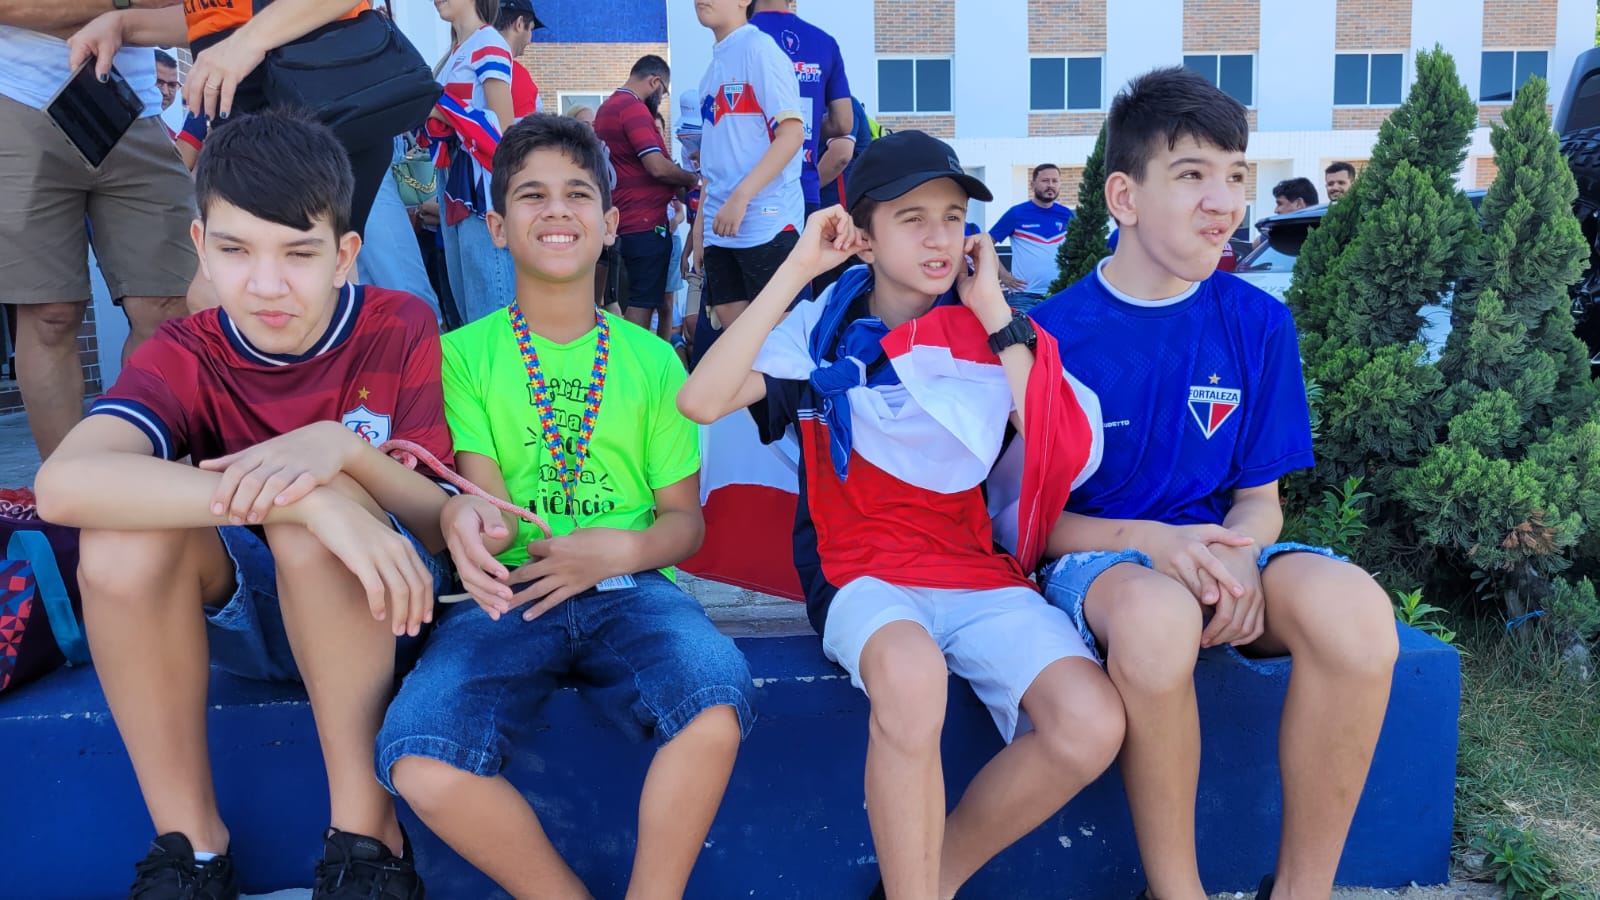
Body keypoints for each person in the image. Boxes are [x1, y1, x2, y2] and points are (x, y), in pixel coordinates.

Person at [678, 130, 1123, 900]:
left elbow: (1067, 448)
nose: (939, 237)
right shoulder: (816, 333)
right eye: (912, 217)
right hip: (860, 572)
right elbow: (702, 398)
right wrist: (800, 265)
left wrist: (995, 315)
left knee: (1091, 725)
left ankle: (930, 883)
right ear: (865, 233)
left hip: (975, 573)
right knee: (913, 678)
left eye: (953, 217)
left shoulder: (997, 330)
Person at [34, 109, 455, 900]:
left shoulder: (396, 322)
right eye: (234, 250)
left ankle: (367, 841)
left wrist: (338, 463)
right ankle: (191, 850)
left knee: (319, 526)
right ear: (200, 247)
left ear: (344, 256)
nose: (266, 284)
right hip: (245, 617)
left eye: (299, 253)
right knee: (121, 538)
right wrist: (299, 504)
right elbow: (62, 484)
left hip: (380, 615)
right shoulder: (188, 351)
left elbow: (436, 519)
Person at [1029, 67, 1399, 900]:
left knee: (1359, 615)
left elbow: (1259, 501)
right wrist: (1157, 547)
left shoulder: (1257, 321)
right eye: (1192, 175)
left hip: (1223, 552)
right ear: (1123, 197)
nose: (1223, 201)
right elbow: (1029, 531)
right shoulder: (1050, 339)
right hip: (1106, 564)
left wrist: (1236, 558)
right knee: (1159, 619)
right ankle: (1176, 891)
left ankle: (1303, 888)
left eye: (1236, 176)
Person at [377, 114, 754, 899]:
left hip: (633, 589)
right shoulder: (459, 355)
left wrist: (615, 551)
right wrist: (480, 529)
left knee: (715, 698)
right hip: (510, 591)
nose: (556, 212)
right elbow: (490, 508)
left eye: (578, 195)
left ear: (612, 223)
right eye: (531, 196)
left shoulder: (654, 361)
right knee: (419, 754)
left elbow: (684, 524)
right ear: (496, 227)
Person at [0, 13, 192, 459]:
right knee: (49, 313)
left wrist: (113, 15)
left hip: (136, 108)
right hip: (19, 98)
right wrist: (127, 7)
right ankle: (71, 498)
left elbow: (197, 10)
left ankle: (144, 474)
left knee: (170, 308)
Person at [67, 0, 404, 240]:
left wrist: (247, 41)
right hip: (254, 111)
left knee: (293, 286)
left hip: (308, 100)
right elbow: (216, 15)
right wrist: (125, 24)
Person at [693, 0, 805, 330]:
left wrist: (741, 198)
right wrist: (701, 226)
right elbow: (714, 159)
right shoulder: (710, 72)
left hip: (766, 224)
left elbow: (792, 134)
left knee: (776, 345)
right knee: (734, 340)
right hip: (719, 230)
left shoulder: (760, 50)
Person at [429, 0, 518, 326]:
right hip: (453, 172)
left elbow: (503, 131)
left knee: (488, 305)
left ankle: (500, 376)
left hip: (479, 179)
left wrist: (441, 112)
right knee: (469, 303)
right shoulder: (457, 52)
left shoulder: (488, 43)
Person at [595, 55, 698, 334]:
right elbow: (657, 167)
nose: (661, 99)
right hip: (644, 223)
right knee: (643, 303)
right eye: (663, 91)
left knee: (626, 301)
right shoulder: (633, 108)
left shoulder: (606, 108)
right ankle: (634, 370)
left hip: (619, 220)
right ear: (654, 81)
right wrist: (692, 179)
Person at [748, 0, 852, 219]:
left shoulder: (739, 40)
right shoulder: (825, 42)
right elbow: (843, 123)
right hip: (803, 188)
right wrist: (802, 128)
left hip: (748, 189)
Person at [989, 163, 1075, 312]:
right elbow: (985, 244)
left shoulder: (1067, 215)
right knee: (1022, 336)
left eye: (1055, 181)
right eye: (1045, 181)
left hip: (1059, 294)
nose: (1050, 185)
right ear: (1032, 184)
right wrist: (1003, 275)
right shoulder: (1016, 214)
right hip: (1023, 296)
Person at [494, 0, 544, 119]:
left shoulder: (464, 62)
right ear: (520, 24)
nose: (530, 40)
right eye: (531, 29)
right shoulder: (516, 74)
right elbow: (526, 136)